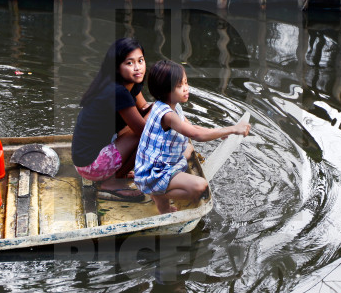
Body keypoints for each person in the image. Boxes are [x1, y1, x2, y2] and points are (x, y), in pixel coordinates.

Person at [134, 59, 249, 214]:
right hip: (153, 173)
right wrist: (234, 129)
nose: (186, 89)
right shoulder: (167, 115)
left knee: (188, 148)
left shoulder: (170, 106)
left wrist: (223, 132)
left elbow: (193, 127)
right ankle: (158, 195)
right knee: (200, 187)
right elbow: (195, 134)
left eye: (186, 83)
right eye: (179, 86)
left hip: (156, 164)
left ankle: (160, 191)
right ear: (165, 90)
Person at [71, 37, 151, 199]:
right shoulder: (117, 91)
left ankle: (117, 173)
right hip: (90, 166)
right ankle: (112, 182)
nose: (137, 68)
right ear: (117, 67)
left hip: (87, 158)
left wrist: (161, 108)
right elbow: (144, 131)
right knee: (145, 135)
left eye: (140, 61)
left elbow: (144, 108)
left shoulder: (130, 83)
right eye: (129, 63)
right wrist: (166, 108)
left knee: (154, 116)